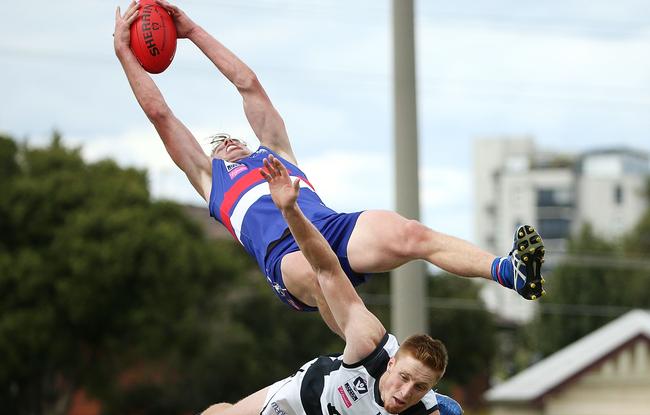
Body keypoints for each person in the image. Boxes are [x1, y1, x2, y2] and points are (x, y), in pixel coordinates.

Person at [113, 1, 546, 338]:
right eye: (218, 144)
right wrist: (123, 53)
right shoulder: (211, 181)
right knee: (321, 278)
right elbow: (161, 115)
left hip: (333, 230)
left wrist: (191, 31)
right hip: (287, 255)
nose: (227, 143)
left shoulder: (276, 151)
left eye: (233, 138)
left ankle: (510, 272)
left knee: (410, 233)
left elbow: (247, 83)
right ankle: (380, 364)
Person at [137, 155, 456, 415]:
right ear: (391, 365)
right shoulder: (368, 343)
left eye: (420, 388)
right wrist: (290, 210)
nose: (405, 392)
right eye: (404, 377)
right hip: (306, 396)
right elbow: (327, 268)